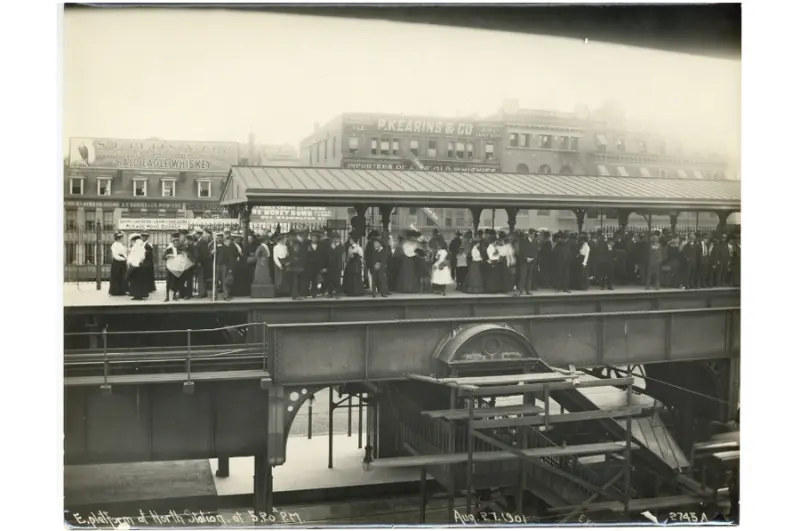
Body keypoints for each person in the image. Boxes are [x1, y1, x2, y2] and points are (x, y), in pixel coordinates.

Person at [126, 234, 150, 300]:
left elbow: (136, 257)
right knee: (139, 281)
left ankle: (137, 295)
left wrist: (132, 263)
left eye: (132, 241)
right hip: (138, 266)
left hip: (136, 266)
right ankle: (139, 294)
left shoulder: (136, 247)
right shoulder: (140, 246)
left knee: (136, 281)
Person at [343, 232, 366, 297]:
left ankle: (357, 291)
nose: (350, 241)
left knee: (356, 279)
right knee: (350, 279)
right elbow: (348, 257)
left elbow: (361, 257)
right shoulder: (349, 248)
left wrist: (355, 256)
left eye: (351, 239)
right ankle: (350, 291)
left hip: (356, 266)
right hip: (350, 265)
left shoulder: (359, 248)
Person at [517, 229, 539, 295]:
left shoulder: (535, 242)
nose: (533, 235)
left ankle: (527, 290)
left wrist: (533, 258)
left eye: (534, 234)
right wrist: (526, 258)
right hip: (524, 262)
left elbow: (536, 252)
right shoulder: (523, 241)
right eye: (532, 234)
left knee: (529, 277)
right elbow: (521, 251)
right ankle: (521, 290)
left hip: (532, 262)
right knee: (523, 276)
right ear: (529, 234)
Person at [325, 232, 346, 298]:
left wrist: (334, 248)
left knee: (337, 280)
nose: (335, 240)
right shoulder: (329, 246)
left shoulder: (341, 246)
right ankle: (330, 293)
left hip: (337, 265)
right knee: (330, 280)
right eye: (334, 239)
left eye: (336, 239)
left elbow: (341, 255)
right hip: (330, 265)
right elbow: (327, 255)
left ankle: (337, 293)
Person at [163, 232, 182, 302]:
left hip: (176, 268)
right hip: (170, 267)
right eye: (175, 243)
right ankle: (167, 296)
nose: (176, 244)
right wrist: (168, 256)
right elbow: (163, 257)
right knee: (168, 282)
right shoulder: (169, 249)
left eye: (177, 243)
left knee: (175, 282)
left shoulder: (179, 250)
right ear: (173, 243)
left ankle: (174, 295)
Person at [306, 231, 325, 298]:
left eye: (316, 237)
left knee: (315, 279)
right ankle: (306, 292)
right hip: (309, 265)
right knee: (308, 279)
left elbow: (322, 256)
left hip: (317, 265)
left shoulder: (320, 246)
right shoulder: (307, 245)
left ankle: (314, 292)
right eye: (313, 237)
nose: (314, 239)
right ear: (311, 238)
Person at [109, 231, 128, 296]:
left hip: (122, 263)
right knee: (116, 276)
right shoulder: (114, 245)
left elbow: (124, 253)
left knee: (122, 276)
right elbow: (115, 255)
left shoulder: (121, 245)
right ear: (118, 238)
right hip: (117, 263)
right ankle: (116, 291)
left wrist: (126, 258)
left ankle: (122, 290)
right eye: (121, 238)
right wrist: (123, 259)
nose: (122, 239)